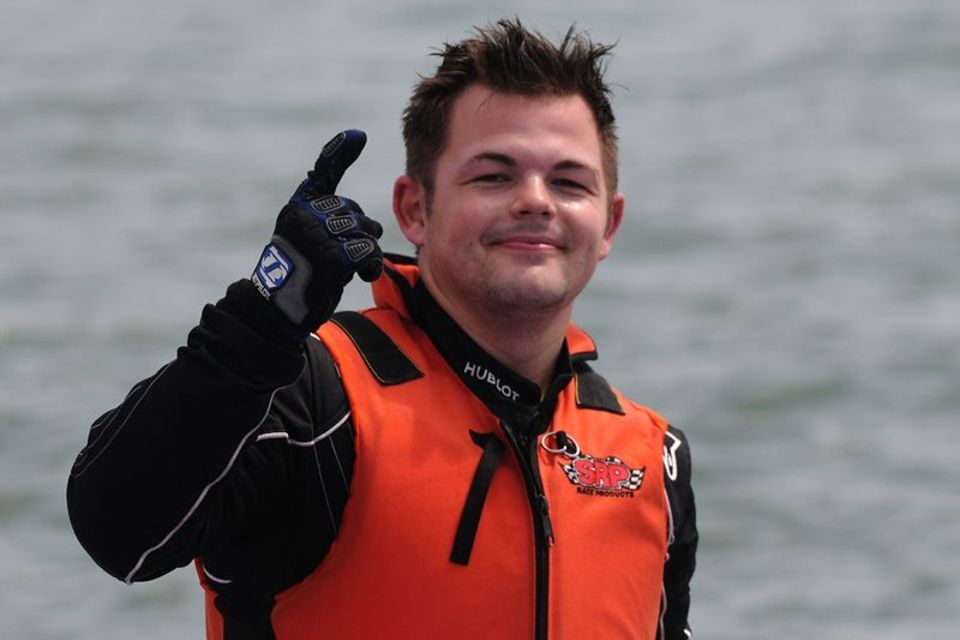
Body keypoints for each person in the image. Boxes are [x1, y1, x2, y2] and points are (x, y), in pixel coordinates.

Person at [67, 18, 697, 640]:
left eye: (568, 181)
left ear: (609, 224)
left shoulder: (651, 456)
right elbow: (121, 534)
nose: (536, 199)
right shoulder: (313, 397)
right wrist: (262, 317)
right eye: (493, 175)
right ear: (414, 210)